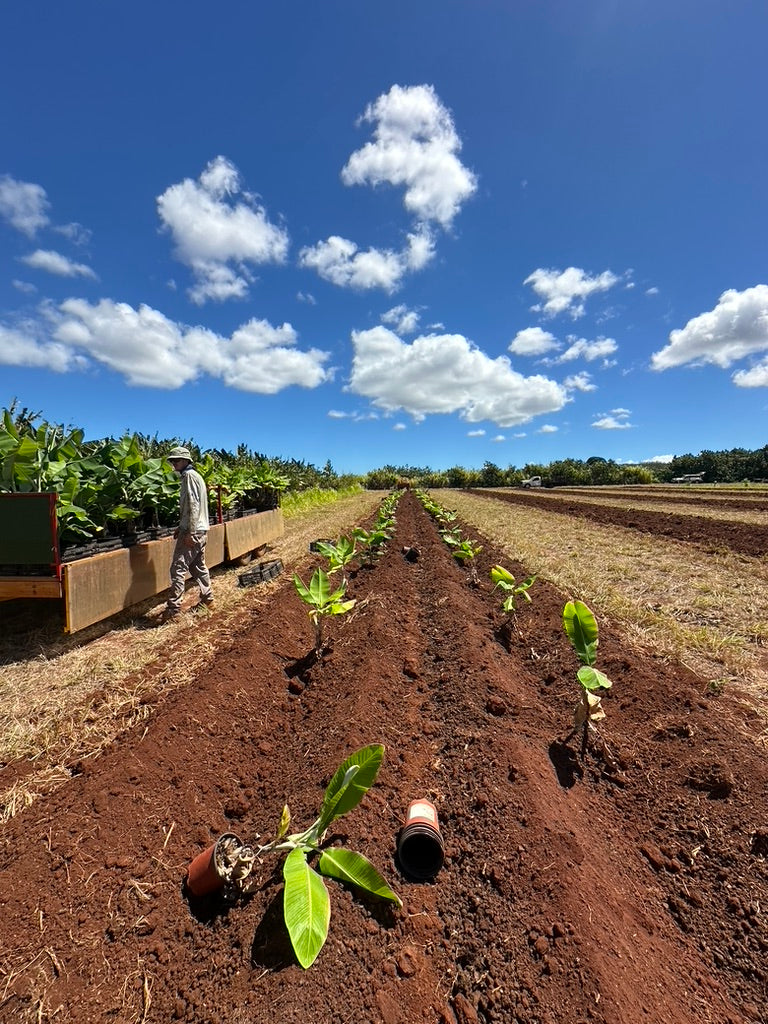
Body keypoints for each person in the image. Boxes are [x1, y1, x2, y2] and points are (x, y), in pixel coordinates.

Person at [162, 446, 214, 619]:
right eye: (172, 461)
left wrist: (189, 532)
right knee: (198, 566)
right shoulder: (195, 476)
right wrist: (181, 526)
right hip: (200, 529)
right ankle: (208, 599)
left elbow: (193, 505)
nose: (173, 464)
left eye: (176, 461)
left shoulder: (189, 477)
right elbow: (191, 507)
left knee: (177, 567)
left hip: (194, 530)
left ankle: (173, 609)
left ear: (185, 461)